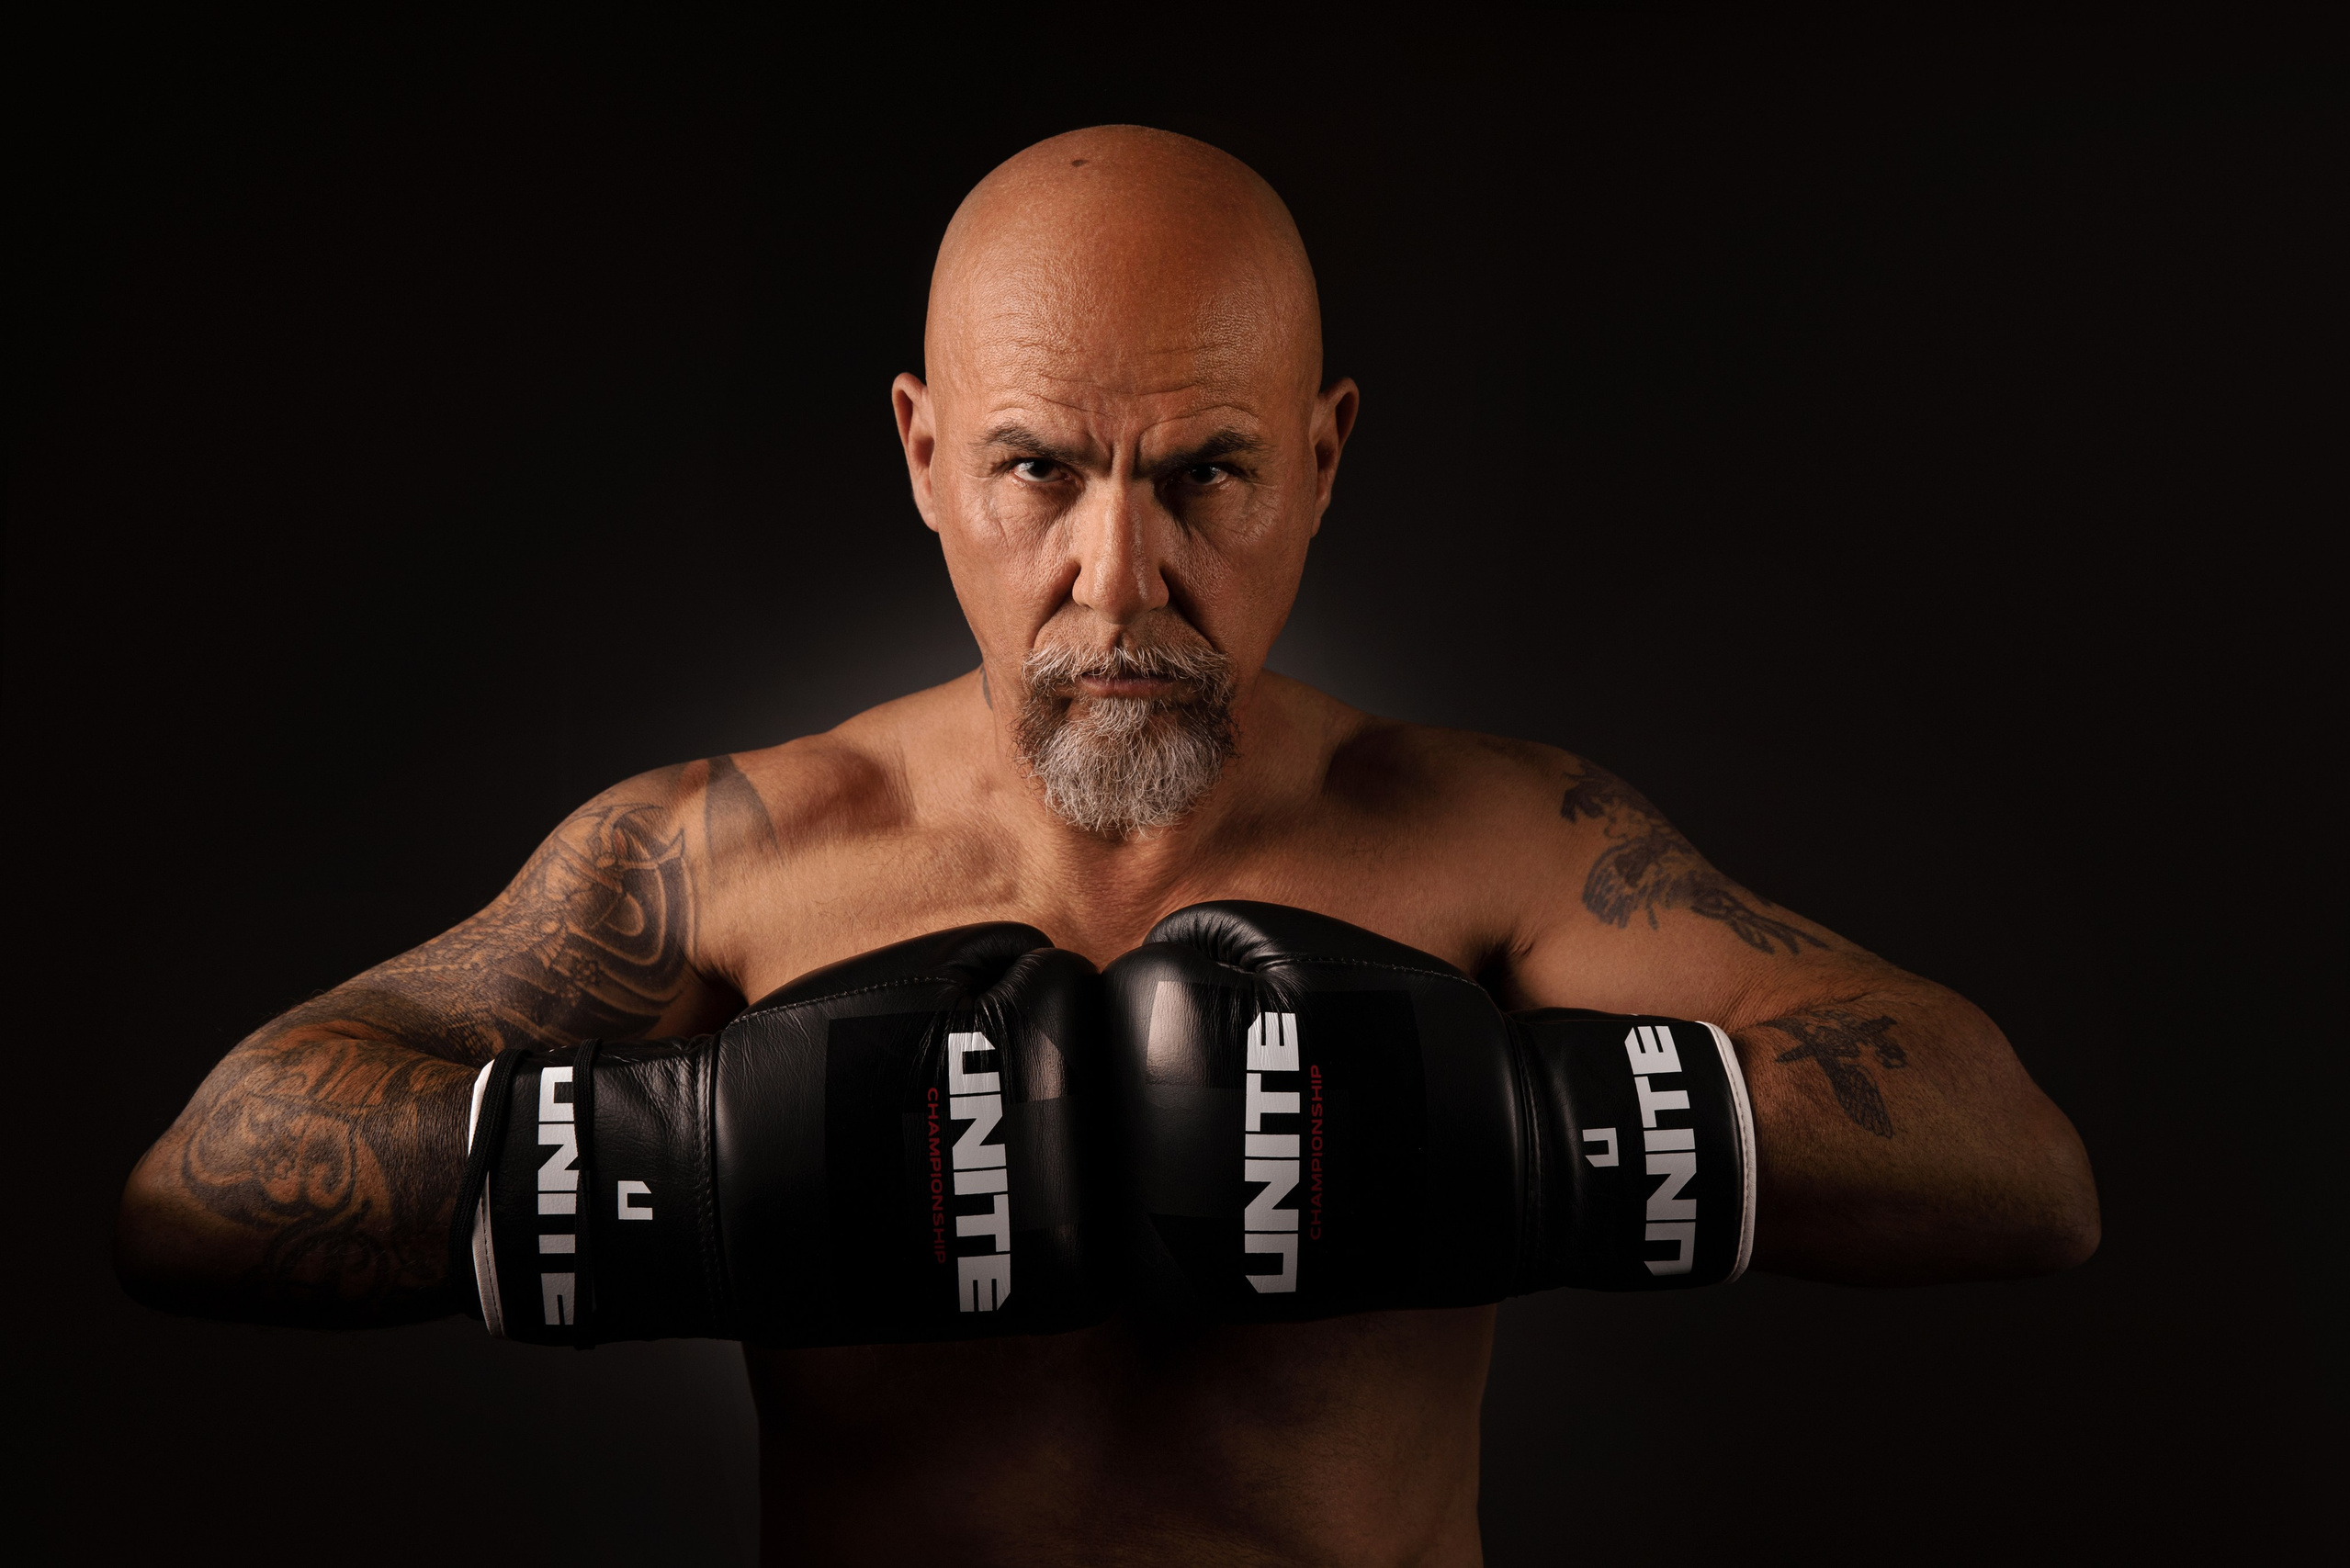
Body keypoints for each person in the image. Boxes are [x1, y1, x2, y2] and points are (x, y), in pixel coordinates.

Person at [116, 125, 2099, 1564]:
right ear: (919, 454)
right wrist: (703, 1163)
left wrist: (1517, 1123)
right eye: (1035, 469)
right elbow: (201, 1185)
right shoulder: (736, 859)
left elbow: (2014, 1160)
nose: (1114, 572)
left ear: (1318, 458)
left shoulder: (1489, 843)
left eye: (1206, 471)